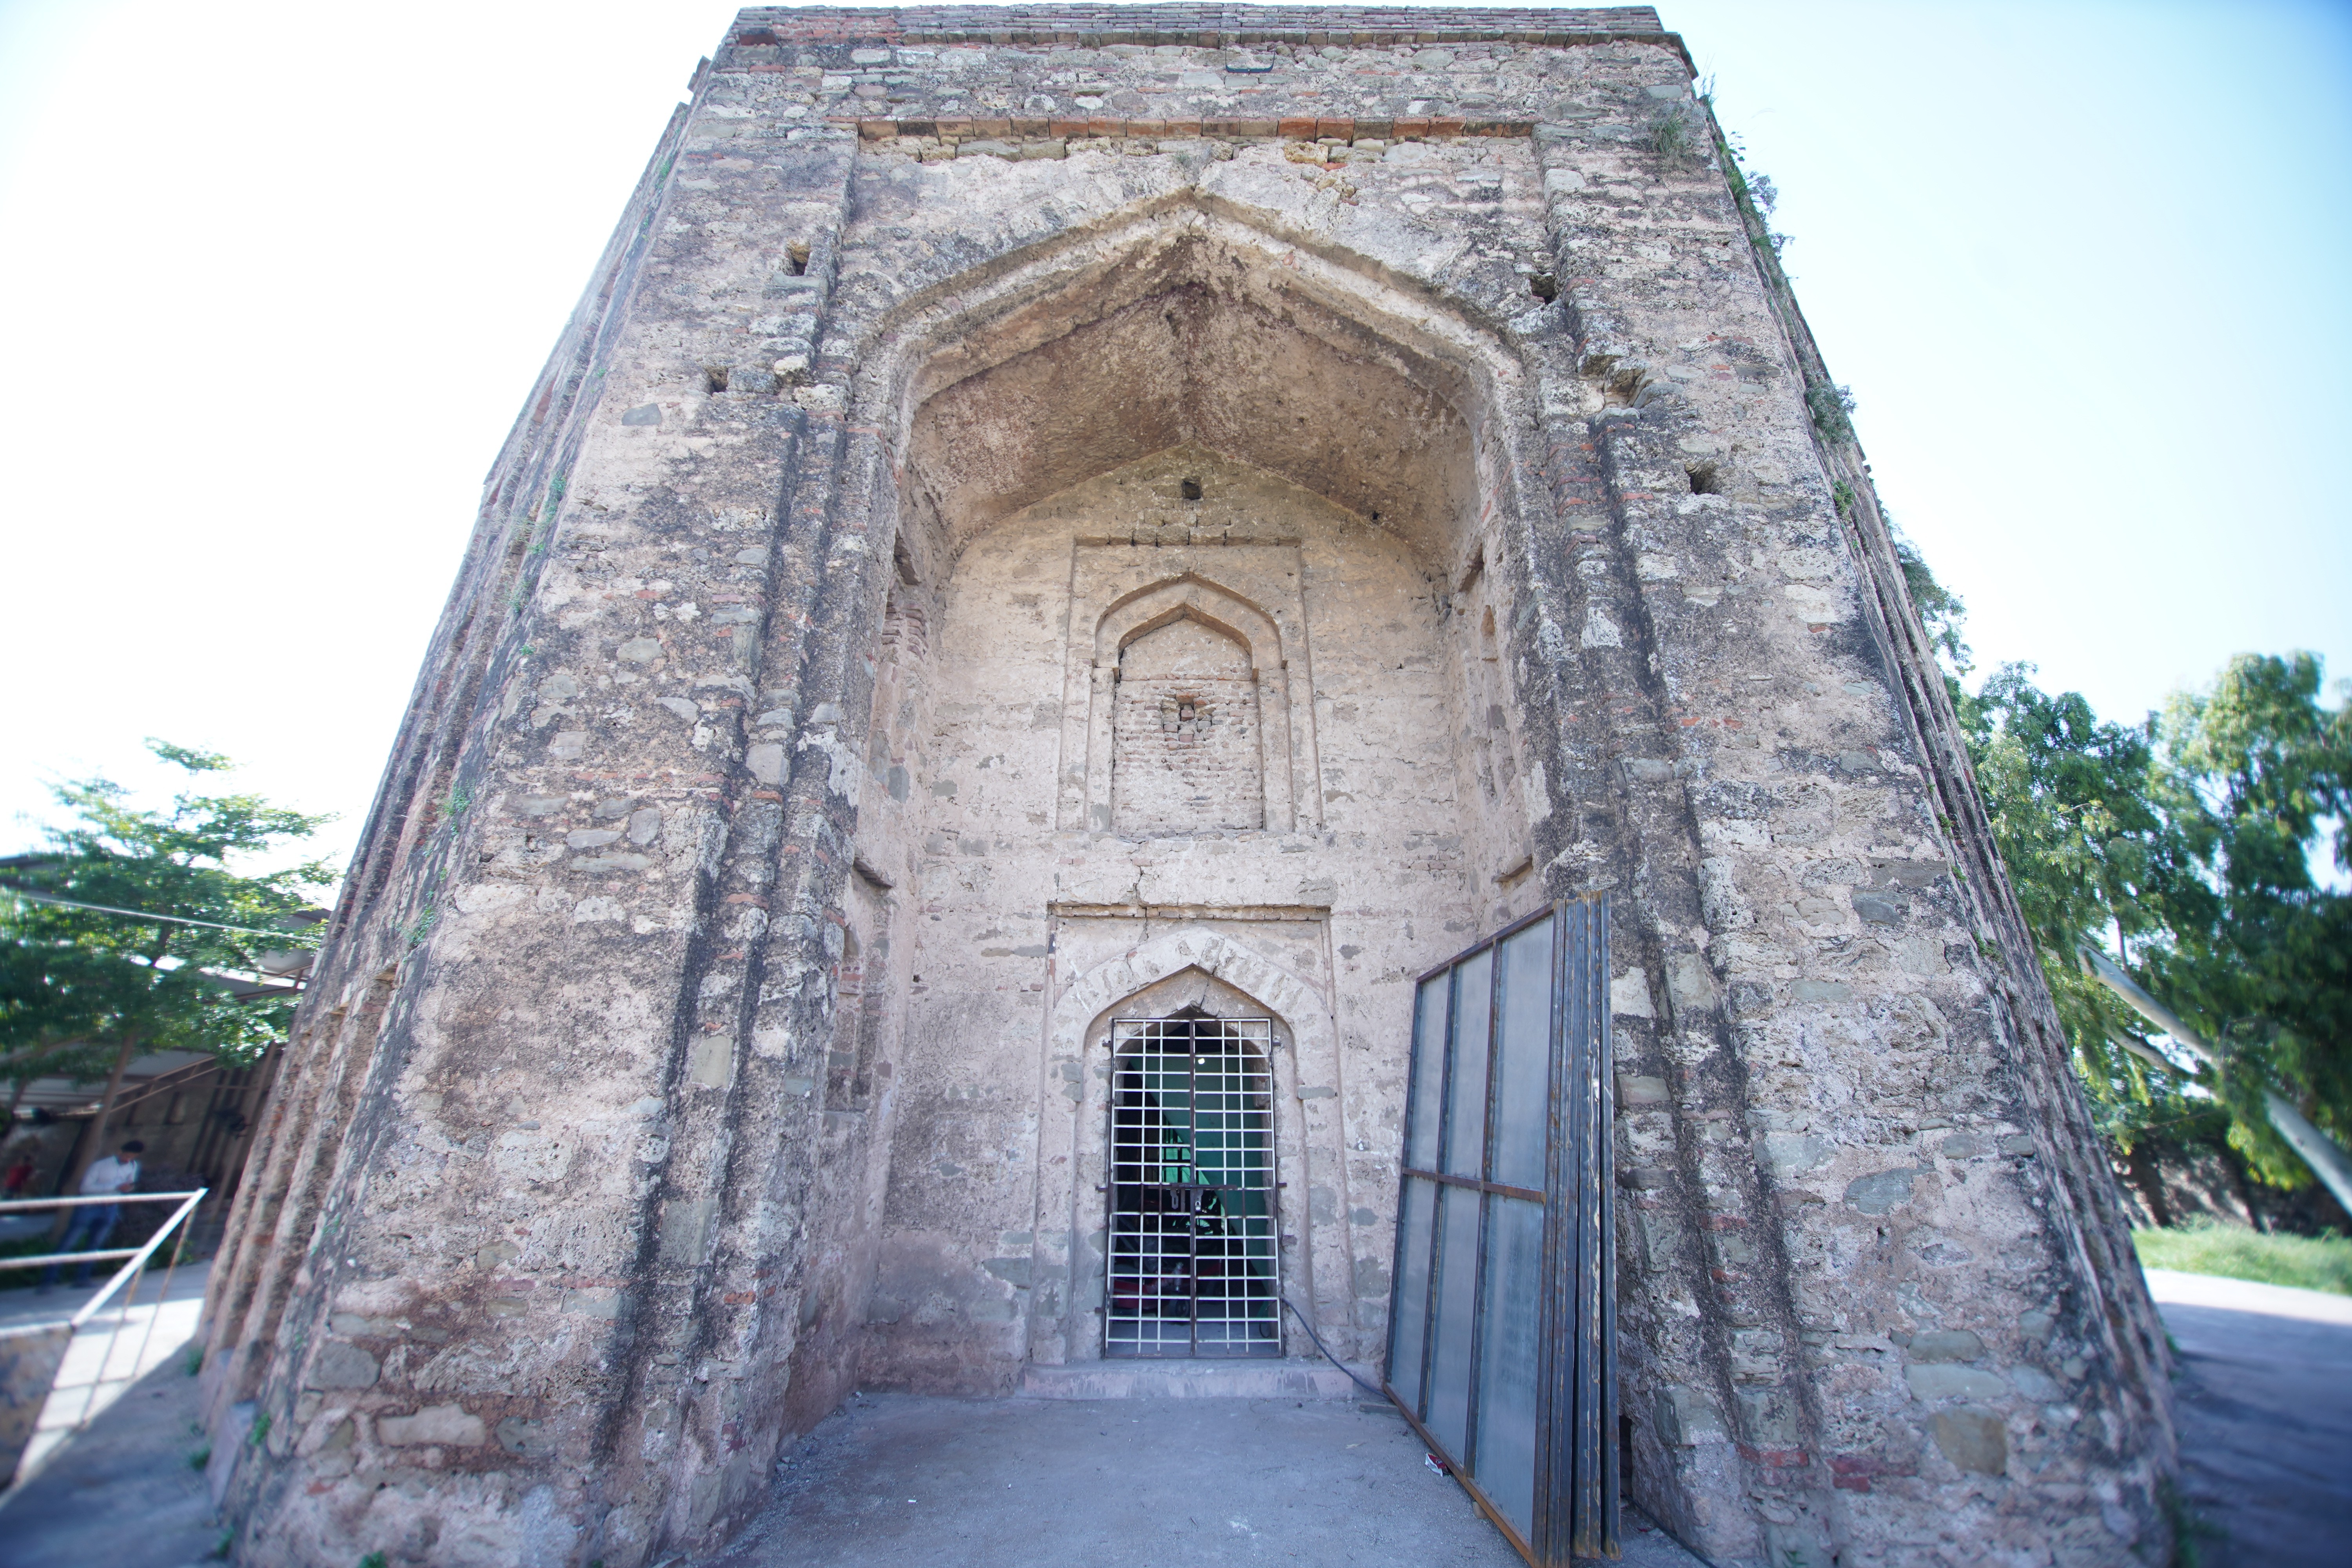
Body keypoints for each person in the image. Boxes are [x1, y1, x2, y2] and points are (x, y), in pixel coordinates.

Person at [41, 1138, 145, 1290]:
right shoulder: (101, 1166)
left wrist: (128, 1188)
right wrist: (114, 1186)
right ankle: (48, 1280)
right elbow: (85, 1188)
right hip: (90, 1207)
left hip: (110, 1207)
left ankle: (82, 1278)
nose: (127, 1160)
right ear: (119, 1152)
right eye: (126, 1156)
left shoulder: (133, 1167)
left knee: (95, 1244)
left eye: (132, 1157)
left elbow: (130, 1184)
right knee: (69, 1242)